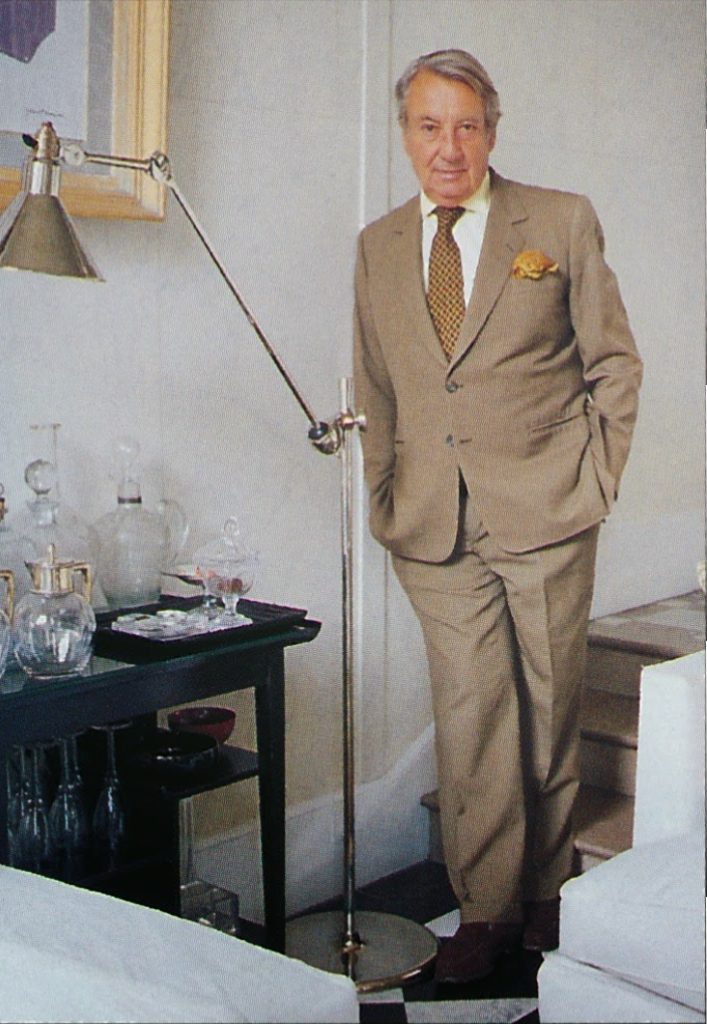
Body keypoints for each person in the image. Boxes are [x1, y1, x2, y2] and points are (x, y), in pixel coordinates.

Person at [352, 48, 642, 983]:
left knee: (550, 702)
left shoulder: (556, 221)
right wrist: (384, 496)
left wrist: (594, 481)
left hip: (546, 510)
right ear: (405, 135)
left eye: (466, 126)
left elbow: (614, 364)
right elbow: (375, 386)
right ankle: (485, 910)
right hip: (431, 524)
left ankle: (547, 887)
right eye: (429, 126)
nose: (449, 147)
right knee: (471, 711)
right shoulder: (377, 246)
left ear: (491, 131)